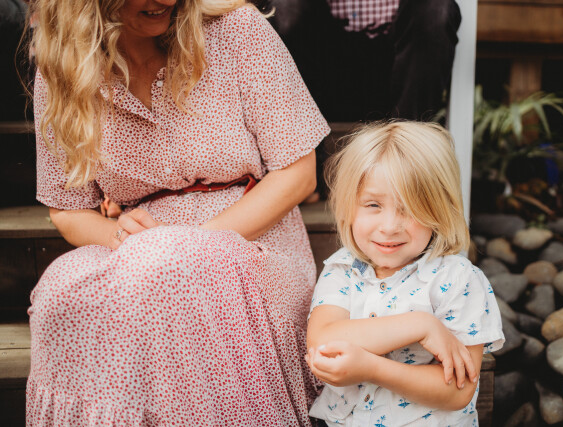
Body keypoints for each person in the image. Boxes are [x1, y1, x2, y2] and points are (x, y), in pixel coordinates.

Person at [25, 0, 330, 425]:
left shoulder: (236, 31)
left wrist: (188, 245)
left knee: (164, 269)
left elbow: (298, 175)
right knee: (61, 291)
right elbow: (68, 210)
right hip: (137, 250)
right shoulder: (62, 70)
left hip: (252, 239)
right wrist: (119, 235)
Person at [305, 121, 504, 426]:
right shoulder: (342, 270)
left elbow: (458, 391)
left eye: (409, 208)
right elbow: (322, 340)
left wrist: (372, 369)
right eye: (373, 204)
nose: (389, 226)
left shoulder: (458, 280)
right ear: (348, 207)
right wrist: (420, 325)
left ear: (439, 210)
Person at [260, 0, 462, 122]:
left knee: (436, 8)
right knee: (286, 7)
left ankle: (405, 152)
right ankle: (306, 160)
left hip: (399, 68)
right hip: (323, 70)